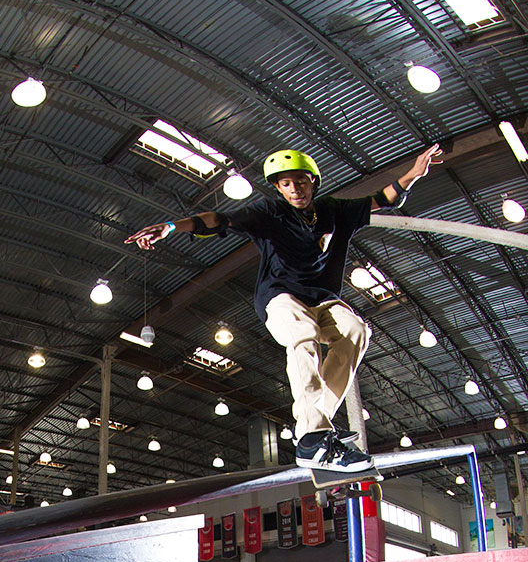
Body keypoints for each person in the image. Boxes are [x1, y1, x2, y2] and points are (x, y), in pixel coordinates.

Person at [125, 144, 442, 474]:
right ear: (277, 187)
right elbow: (218, 220)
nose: (295, 190)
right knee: (304, 336)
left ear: (313, 181)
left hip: (322, 299)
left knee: (357, 330)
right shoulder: (269, 213)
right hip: (280, 297)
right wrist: (173, 227)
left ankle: (314, 430)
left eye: (301, 182)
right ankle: (314, 436)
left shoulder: (333, 210)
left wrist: (412, 174)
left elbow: (385, 198)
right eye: (286, 184)